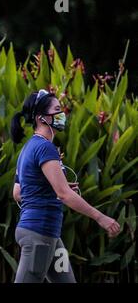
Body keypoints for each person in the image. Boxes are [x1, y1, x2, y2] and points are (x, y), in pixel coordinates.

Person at [10, 89, 120, 283]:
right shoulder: (45, 148)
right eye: (57, 110)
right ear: (42, 118)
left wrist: (54, 186)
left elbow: (18, 193)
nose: (62, 115)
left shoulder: (28, 148)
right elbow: (64, 194)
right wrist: (100, 217)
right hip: (39, 235)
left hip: (48, 235)